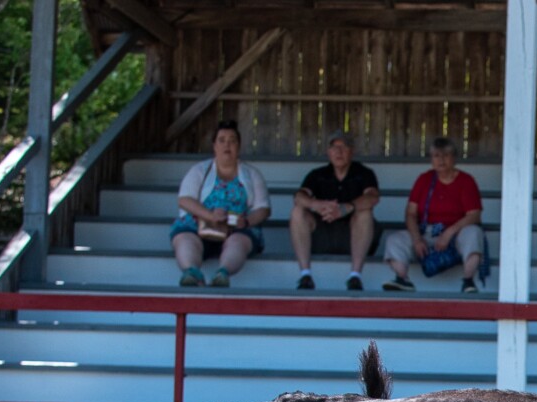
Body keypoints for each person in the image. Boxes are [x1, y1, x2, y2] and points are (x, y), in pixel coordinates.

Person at [169, 120, 270, 288]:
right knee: (185, 238)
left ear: (239, 146)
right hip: (199, 225)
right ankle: (191, 272)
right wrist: (210, 216)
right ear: (214, 146)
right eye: (222, 140)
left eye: (232, 140)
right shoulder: (199, 170)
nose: (227, 145)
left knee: (239, 241)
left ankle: (223, 273)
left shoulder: (252, 174)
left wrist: (246, 221)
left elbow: (264, 209)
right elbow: (184, 199)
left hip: (236, 228)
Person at [382, 137, 484, 294]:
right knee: (395, 240)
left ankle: (468, 281)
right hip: (426, 232)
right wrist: (416, 239)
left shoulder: (466, 181)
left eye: (446, 155)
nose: (441, 160)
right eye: (436, 155)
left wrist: (449, 233)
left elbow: (474, 215)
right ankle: (402, 279)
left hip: (455, 234)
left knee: (474, 233)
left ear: (454, 158)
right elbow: (410, 213)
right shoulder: (424, 180)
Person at [290, 130, 381, 291]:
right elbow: (299, 197)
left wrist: (347, 208)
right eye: (334, 147)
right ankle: (305, 275)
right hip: (322, 236)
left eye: (344, 147)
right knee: (298, 211)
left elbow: (373, 197)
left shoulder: (363, 173)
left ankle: (355, 276)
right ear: (328, 152)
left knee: (365, 212)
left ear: (351, 151)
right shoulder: (317, 175)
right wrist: (316, 204)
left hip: (352, 237)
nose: (339, 151)